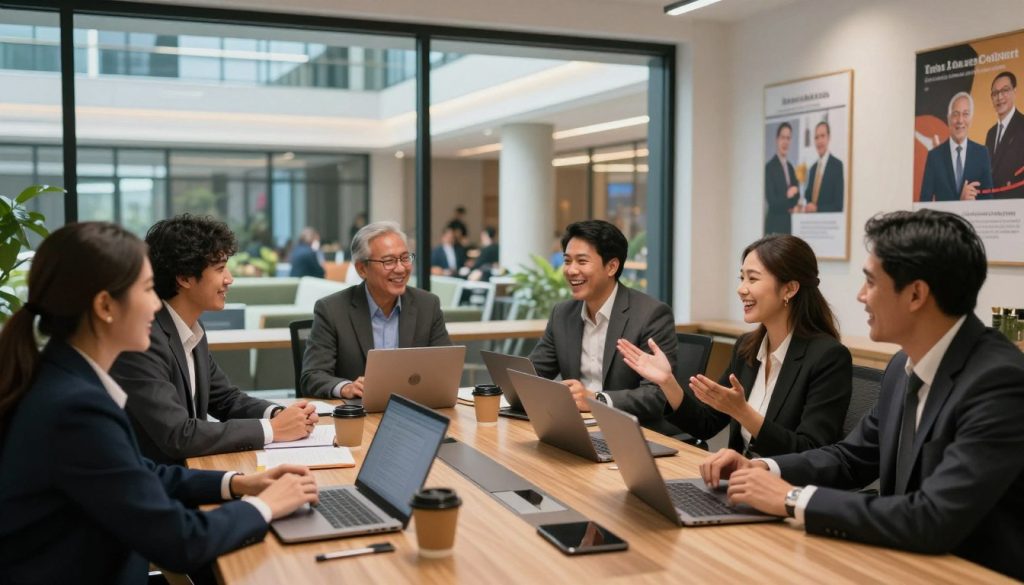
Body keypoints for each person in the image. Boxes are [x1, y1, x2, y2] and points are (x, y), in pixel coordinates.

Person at [701, 209, 1024, 581]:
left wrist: (791, 499)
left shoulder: (998, 382)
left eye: (870, 282)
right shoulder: (904, 365)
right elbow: (851, 458)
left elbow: (933, 517)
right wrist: (764, 468)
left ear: (916, 294)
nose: (860, 296)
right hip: (902, 559)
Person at [0, 222, 319, 584]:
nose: (157, 303)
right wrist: (266, 506)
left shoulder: (64, 381)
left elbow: (139, 471)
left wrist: (238, 483)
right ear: (105, 305)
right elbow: (179, 540)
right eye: (149, 289)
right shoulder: (75, 408)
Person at [618, 234, 851, 456]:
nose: (741, 289)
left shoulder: (828, 357)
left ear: (789, 289)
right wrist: (667, 382)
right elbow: (705, 424)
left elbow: (811, 451)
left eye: (753, 278)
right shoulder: (746, 347)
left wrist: (742, 412)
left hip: (784, 489)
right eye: (742, 278)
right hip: (740, 481)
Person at [111, 214, 317, 464]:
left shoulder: (190, 328)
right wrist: (273, 430)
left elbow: (225, 399)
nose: (230, 279)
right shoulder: (145, 339)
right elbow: (179, 434)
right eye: (220, 269)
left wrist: (279, 414)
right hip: (161, 483)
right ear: (184, 278)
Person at [529, 220, 676, 423]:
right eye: (567, 261)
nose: (571, 270)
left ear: (612, 267)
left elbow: (657, 394)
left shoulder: (651, 315)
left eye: (581, 261)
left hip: (630, 430)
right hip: (575, 426)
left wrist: (597, 401)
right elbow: (533, 374)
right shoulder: (563, 314)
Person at [300, 221, 452, 399]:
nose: (401, 268)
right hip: (358, 415)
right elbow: (312, 376)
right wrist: (345, 387)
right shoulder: (332, 310)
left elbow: (446, 369)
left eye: (405, 258)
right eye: (388, 261)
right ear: (362, 269)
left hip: (412, 410)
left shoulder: (427, 305)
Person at [919, 92, 993, 201]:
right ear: (948, 119)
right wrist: (960, 201)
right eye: (955, 114)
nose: (960, 120)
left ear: (971, 119)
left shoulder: (982, 153)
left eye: (965, 114)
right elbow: (924, 204)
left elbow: (989, 201)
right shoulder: (934, 157)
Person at [985, 71, 1024, 197]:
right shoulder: (990, 133)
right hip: (994, 207)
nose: (999, 97)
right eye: (995, 93)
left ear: (1014, 91)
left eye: (1005, 90)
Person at [764, 122, 800, 234]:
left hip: (788, 227)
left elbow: (797, 195)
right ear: (777, 140)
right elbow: (772, 201)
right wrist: (788, 196)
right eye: (783, 137)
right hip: (774, 227)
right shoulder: (769, 168)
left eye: (788, 138)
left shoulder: (790, 167)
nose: (785, 142)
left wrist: (792, 197)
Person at [802, 121, 845, 213]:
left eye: (822, 136)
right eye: (816, 137)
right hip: (810, 224)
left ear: (829, 138)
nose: (819, 141)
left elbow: (838, 206)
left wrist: (817, 209)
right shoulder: (812, 169)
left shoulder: (837, 166)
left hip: (828, 224)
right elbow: (808, 197)